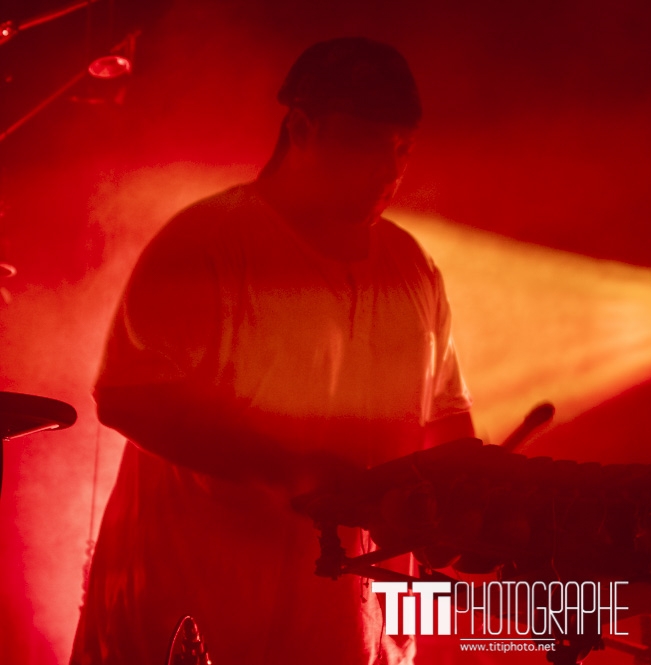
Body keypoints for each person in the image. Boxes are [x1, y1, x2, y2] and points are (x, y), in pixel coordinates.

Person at [71, 37, 474, 665]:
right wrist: (288, 471)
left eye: (402, 149)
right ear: (302, 128)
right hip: (198, 609)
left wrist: (466, 503)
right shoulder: (206, 243)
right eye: (366, 143)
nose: (388, 169)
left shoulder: (413, 268)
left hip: (345, 629)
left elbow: (445, 420)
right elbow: (130, 398)